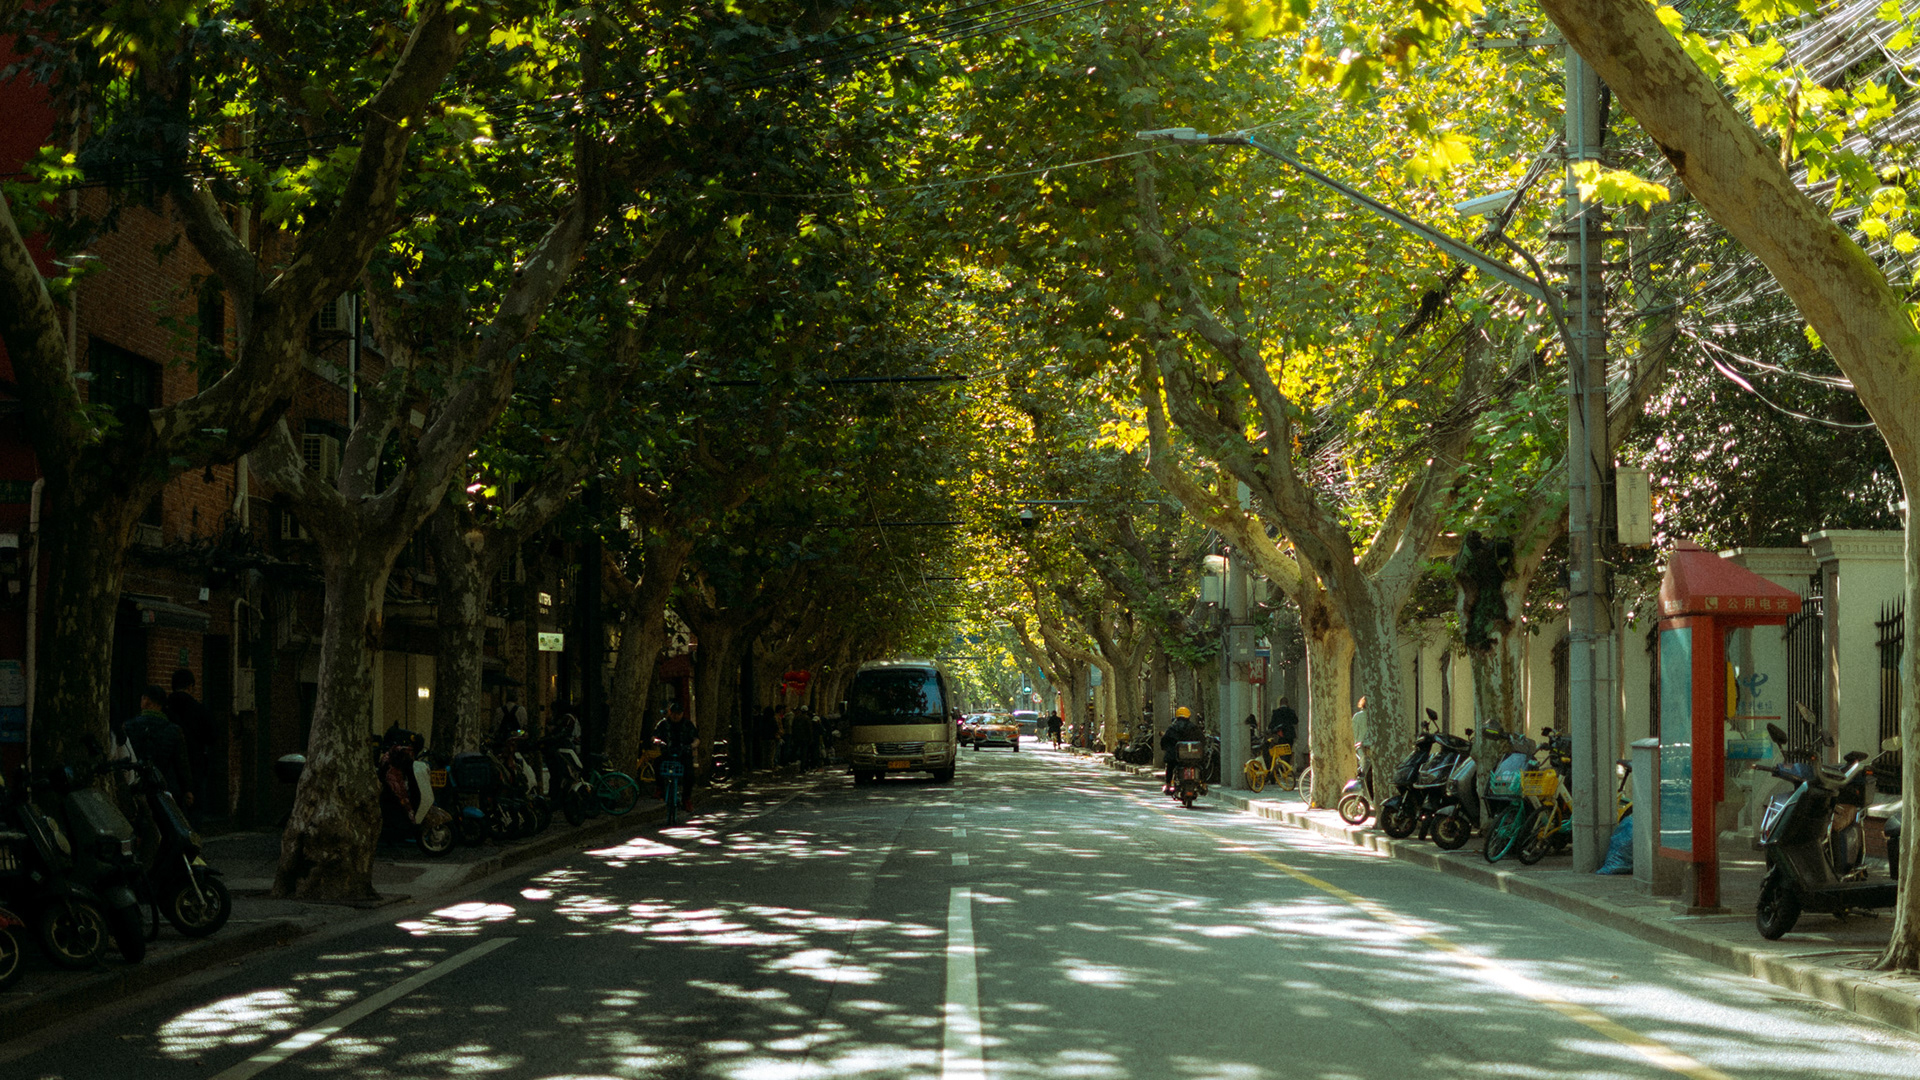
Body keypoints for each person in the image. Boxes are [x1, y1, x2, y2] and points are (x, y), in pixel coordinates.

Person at [127, 684, 195, 806]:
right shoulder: (174, 730)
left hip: (135, 787)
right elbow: (182, 763)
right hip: (166, 788)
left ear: (146, 700)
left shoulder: (129, 726)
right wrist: (187, 789)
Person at [164, 668, 213, 818]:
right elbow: (212, 736)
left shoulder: (165, 708)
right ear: (191, 686)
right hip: (195, 763)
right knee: (194, 811)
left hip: (168, 766)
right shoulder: (199, 709)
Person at [654, 702, 698, 811]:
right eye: (673, 713)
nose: (676, 716)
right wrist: (658, 741)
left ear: (682, 714)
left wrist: (691, 746)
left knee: (689, 774)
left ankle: (686, 799)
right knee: (657, 763)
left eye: (678, 714)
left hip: (684, 754)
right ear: (670, 713)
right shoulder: (663, 724)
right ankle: (660, 789)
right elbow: (654, 736)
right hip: (667, 753)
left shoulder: (688, 724)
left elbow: (696, 739)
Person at [1161, 706, 1200, 792]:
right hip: (1193, 757)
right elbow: (1202, 740)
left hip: (1175, 757)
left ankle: (1168, 785)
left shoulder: (1172, 728)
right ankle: (1203, 784)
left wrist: (1165, 748)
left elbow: (1164, 740)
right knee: (1201, 765)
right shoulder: (1194, 728)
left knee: (1170, 766)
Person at [1349, 695, 1372, 799]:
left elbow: (1353, 733)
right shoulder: (1374, 717)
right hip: (1371, 746)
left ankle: (1363, 794)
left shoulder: (1358, 716)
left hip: (1360, 746)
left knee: (1364, 769)